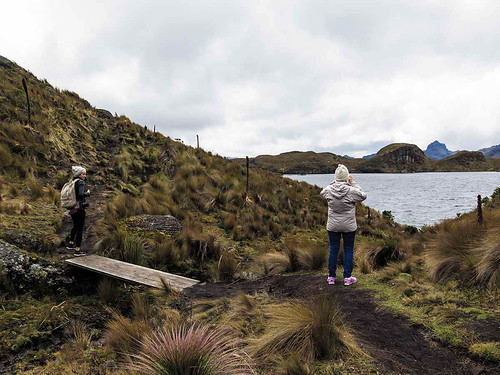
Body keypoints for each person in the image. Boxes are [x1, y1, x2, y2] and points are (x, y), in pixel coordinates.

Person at [320, 164, 366, 286]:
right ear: (347, 177)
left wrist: (335, 182)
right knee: (348, 249)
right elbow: (363, 195)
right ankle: (347, 278)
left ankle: (331, 277)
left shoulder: (329, 190)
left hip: (333, 225)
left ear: (335, 177)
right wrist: (353, 183)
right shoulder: (351, 190)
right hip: (349, 226)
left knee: (333, 249)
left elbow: (322, 192)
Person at [66, 166, 90, 256]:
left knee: (75, 225)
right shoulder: (80, 182)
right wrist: (87, 193)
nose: (84, 176)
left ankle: (71, 243)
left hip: (72, 207)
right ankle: (78, 250)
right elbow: (80, 194)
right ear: (78, 174)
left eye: (85, 174)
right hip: (79, 208)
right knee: (80, 227)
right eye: (83, 174)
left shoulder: (72, 181)